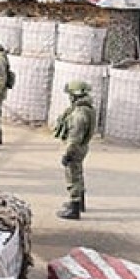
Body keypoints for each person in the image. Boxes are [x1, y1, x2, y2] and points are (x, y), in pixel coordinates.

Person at [54, 81, 95, 220]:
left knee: (73, 177)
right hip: (82, 146)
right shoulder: (88, 109)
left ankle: (74, 207)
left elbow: (74, 138)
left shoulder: (79, 114)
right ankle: (79, 202)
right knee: (78, 173)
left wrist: (67, 154)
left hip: (75, 148)